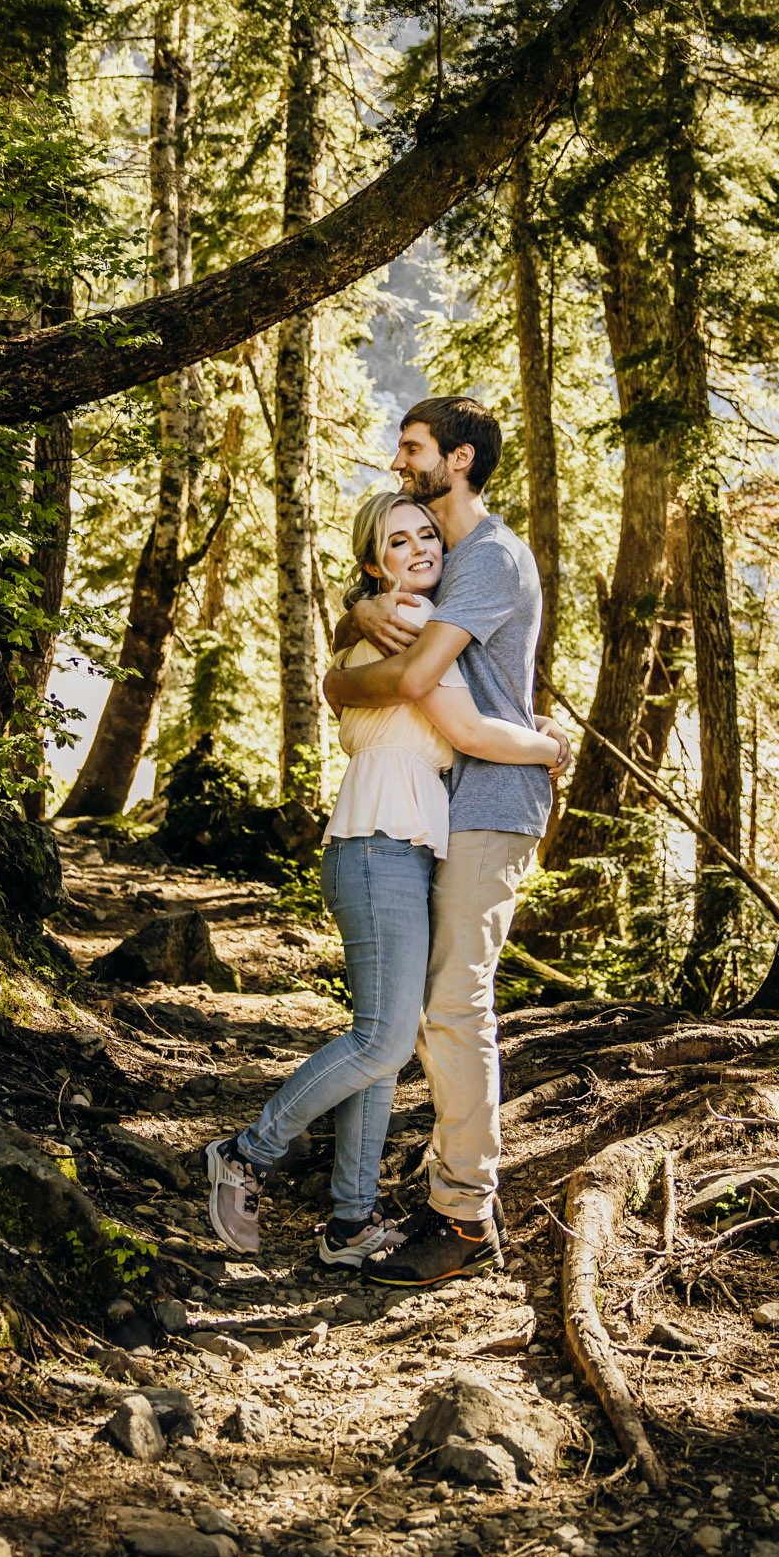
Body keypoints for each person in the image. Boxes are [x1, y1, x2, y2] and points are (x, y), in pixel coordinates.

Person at [205, 488, 566, 1265]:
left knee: (385, 1037)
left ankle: (350, 1222)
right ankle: (247, 1153)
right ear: (375, 563)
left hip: (395, 844)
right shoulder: (401, 626)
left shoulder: (402, 626)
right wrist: (548, 747)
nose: (421, 548)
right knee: (383, 1038)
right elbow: (466, 729)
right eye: (398, 542)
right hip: (377, 844)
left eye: (427, 535)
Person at [324, 396, 569, 1291]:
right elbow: (382, 633)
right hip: (440, 803)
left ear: (458, 460)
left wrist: (338, 680)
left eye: (414, 448)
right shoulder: (446, 555)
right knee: (422, 1009)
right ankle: (431, 1184)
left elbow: (426, 680)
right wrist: (348, 634)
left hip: (490, 797)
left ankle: (462, 1215)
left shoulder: (492, 557)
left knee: (453, 1008)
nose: (401, 461)